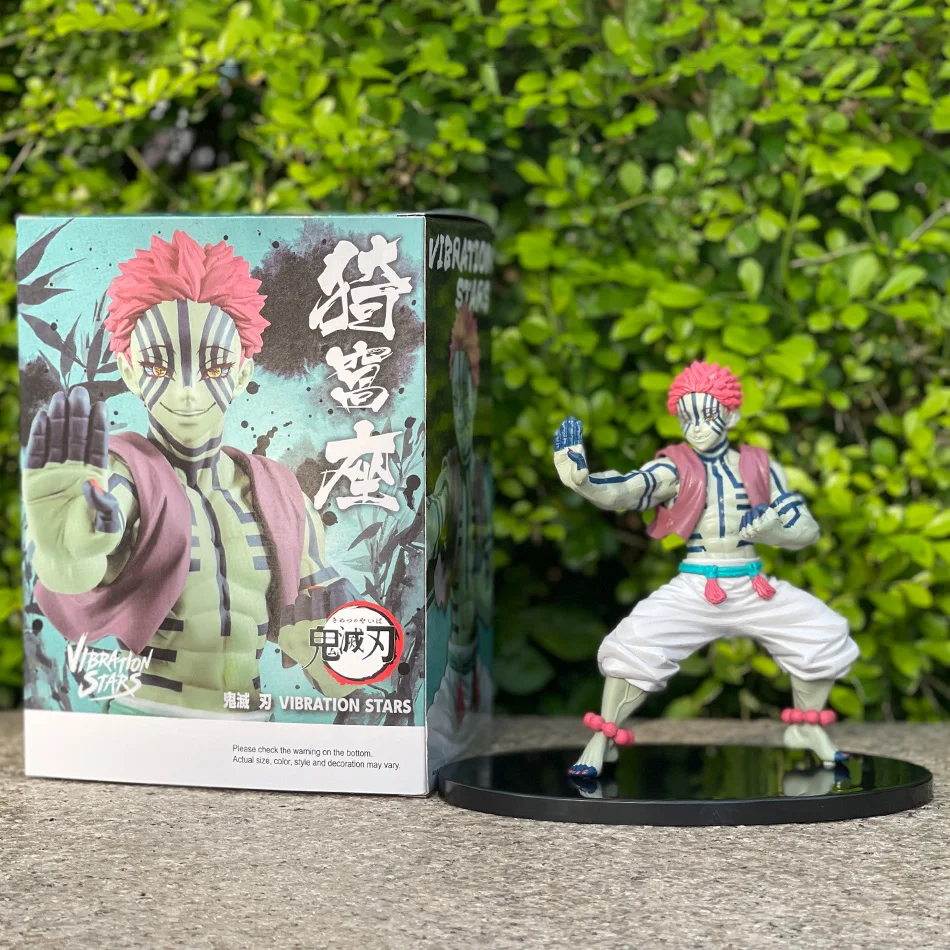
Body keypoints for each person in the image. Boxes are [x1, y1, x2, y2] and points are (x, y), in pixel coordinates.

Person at [24, 230, 358, 718]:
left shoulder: (282, 493)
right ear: (130, 371)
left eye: (214, 366)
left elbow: (336, 669)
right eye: (159, 366)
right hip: (149, 719)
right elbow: (83, 558)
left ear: (242, 373)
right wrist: (65, 554)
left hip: (252, 725)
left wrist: (331, 652)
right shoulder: (124, 474)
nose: (186, 390)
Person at [553, 361, 858, 777]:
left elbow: (806, 530)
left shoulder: (761, 465)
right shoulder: (674, 467)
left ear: (731, 416)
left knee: (821, 631)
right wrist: (584, 483)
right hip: (698, 585)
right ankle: (602, 740)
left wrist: (774, 531)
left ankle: (806, 728)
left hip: (753, 584)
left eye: (706, 415)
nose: (696, 428)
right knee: (636, 641)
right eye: (687, 418)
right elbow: (626, 490)